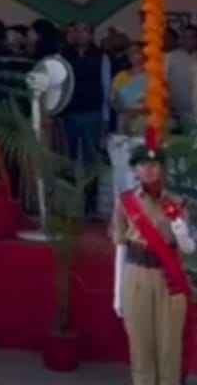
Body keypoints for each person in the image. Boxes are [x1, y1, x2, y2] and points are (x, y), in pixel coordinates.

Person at [112, 132, 195, 385]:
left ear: (162, 169)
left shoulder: (178, 203)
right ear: (135, 170)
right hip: (136, 276)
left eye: (154, 164)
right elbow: (121, 246)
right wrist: (117, 293)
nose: (148, 170)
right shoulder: (126, 203)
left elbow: (189, 249)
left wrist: (181, 233)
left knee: (170, 350)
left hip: (169, 280)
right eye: (142, 165)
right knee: (141, 348)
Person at [62, 22, 111, 217]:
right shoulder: (64, 55)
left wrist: (105, 118)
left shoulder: (101, 57)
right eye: (77, 30)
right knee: (68, 159)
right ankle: (69, 202)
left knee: (91, 161)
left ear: (91, 34)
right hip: (70, 113)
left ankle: (90, 204)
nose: (80, 34)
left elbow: (106, 87)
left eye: (84, 31)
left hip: (92, 113)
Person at [111, 42, 149, 136]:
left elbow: (158, 103)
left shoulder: (152, 77)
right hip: (123, 120)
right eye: (129, 52)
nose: (131, 55)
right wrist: (122, 108)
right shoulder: (120, 76)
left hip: (144, 122)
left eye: (135, 51)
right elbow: (113, 99)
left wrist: (137, 112)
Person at [164, 28, 195, 128]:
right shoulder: (170, 57)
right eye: (184, 37)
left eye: (191, 36)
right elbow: (162, 83)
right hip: (177, 113)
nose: (187, 39)